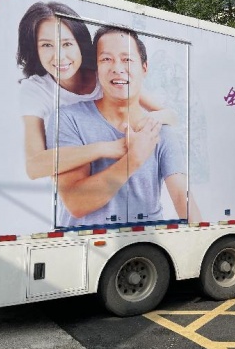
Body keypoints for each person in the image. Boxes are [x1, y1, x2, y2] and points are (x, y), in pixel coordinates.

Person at [46, 26, 201, 226]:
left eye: (127, 59)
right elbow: (76, 202)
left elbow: (181, 195)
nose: (117, 68)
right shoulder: (68, 119)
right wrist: (133, 159)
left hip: (146, 242)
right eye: (106, 59)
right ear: (96, 69)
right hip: (84, 241)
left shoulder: (159, 129)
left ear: (144, 68)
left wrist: (201, 239)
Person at [17, 1, 176, 180]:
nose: (59, 56)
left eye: (67, 44)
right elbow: (34, 167)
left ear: (80, 43)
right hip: (77, 179)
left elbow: (169, 115)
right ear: (34, 49)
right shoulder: (36, 89)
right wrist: (106, 148)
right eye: (47, 45)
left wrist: (147, 122)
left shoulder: (104, 73)